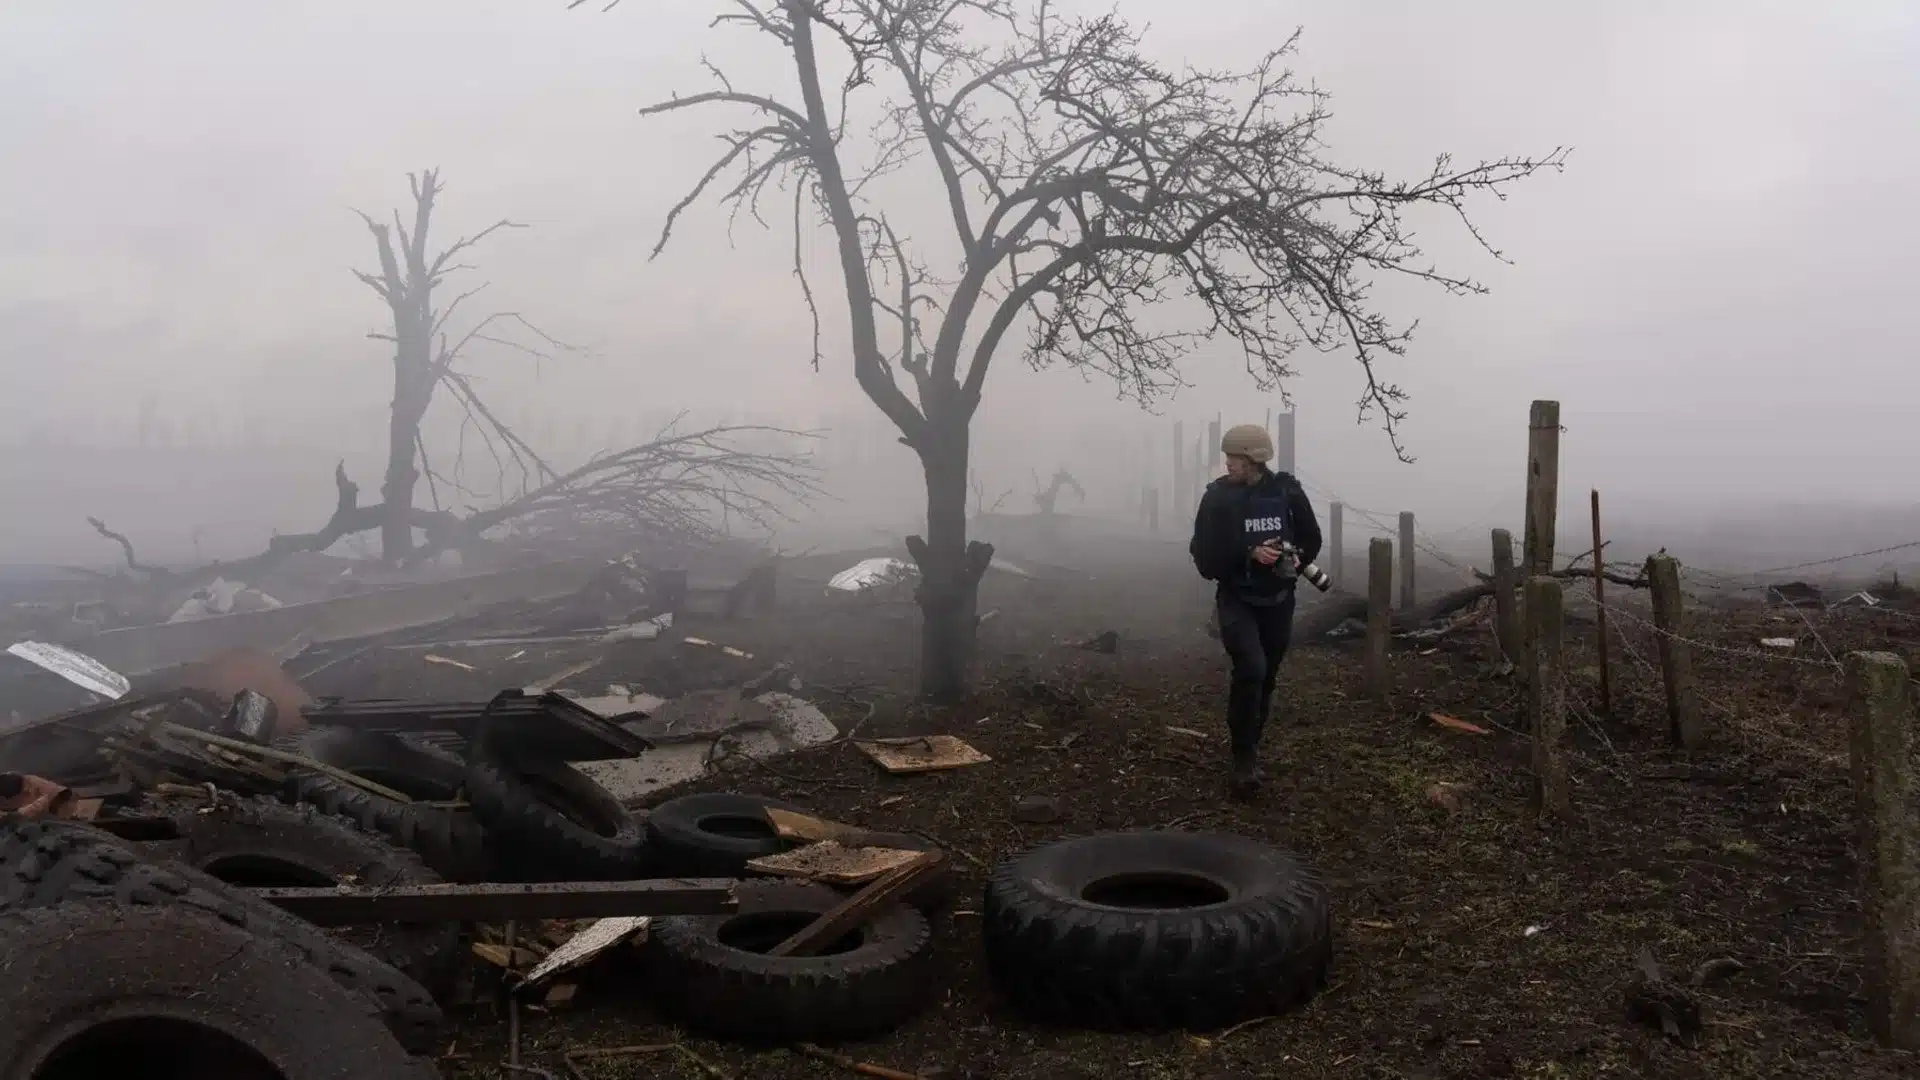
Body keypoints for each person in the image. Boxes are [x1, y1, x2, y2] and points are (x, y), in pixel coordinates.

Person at [1188, 423, 1322, 797]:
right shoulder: (1216, 497)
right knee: (1251, 668)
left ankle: (1252, 742)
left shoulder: (1286, 490)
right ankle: (1242, 758)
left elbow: (1311, 538)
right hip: (1236, 598)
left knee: (1268, 677)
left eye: (1236, 458)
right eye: (1228, 457)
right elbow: (1203, 557)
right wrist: (1247, 553)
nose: (1229, 464)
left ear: (1256, 459)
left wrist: (1292, 557)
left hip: (1279, 599)